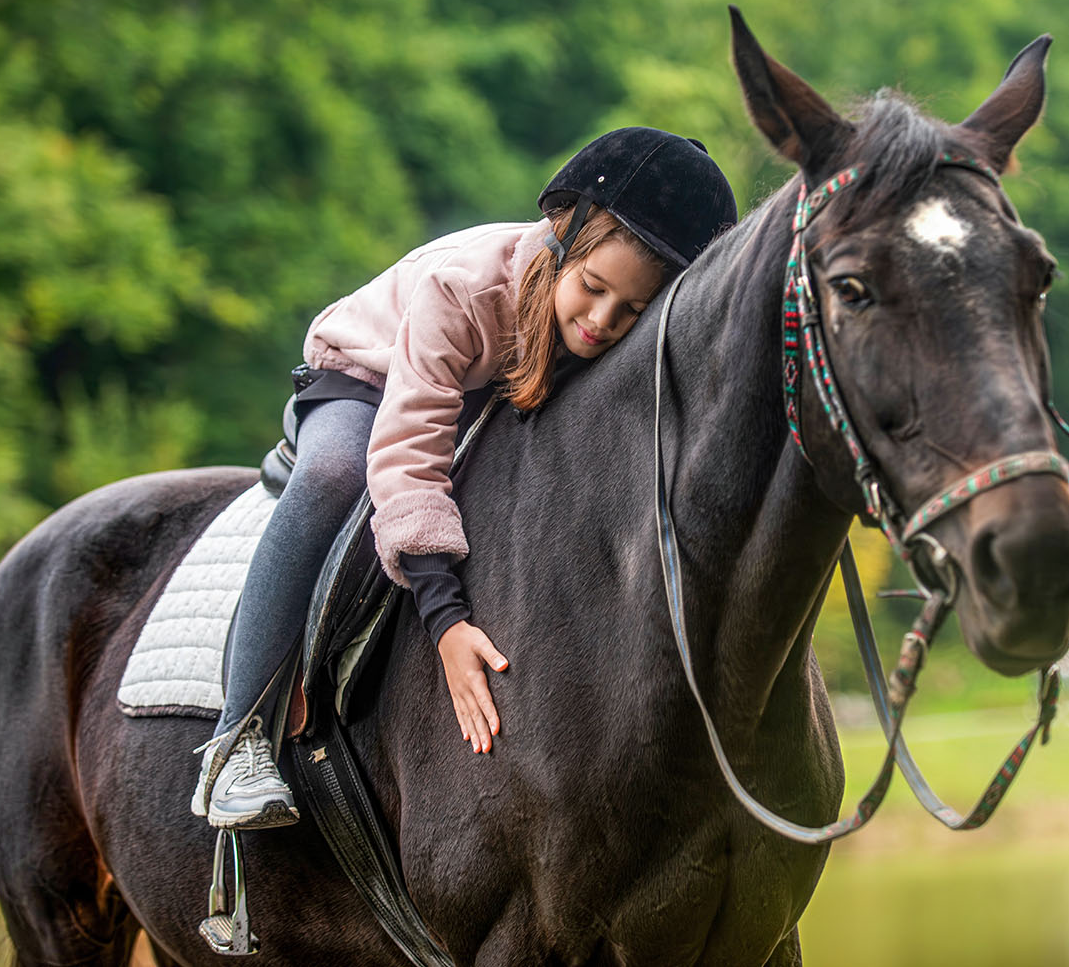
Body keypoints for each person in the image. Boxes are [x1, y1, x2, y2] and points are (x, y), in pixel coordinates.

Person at [190, 127, 737, 829]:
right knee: (332, 474)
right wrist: (446, 621)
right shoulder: (465, 289)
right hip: (373, 375)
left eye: (629, 311)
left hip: (491, 385)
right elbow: (409, 449)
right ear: (559, 241)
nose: (602, 321)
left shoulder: (600, 326)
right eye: (593, 289)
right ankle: (236, 741)